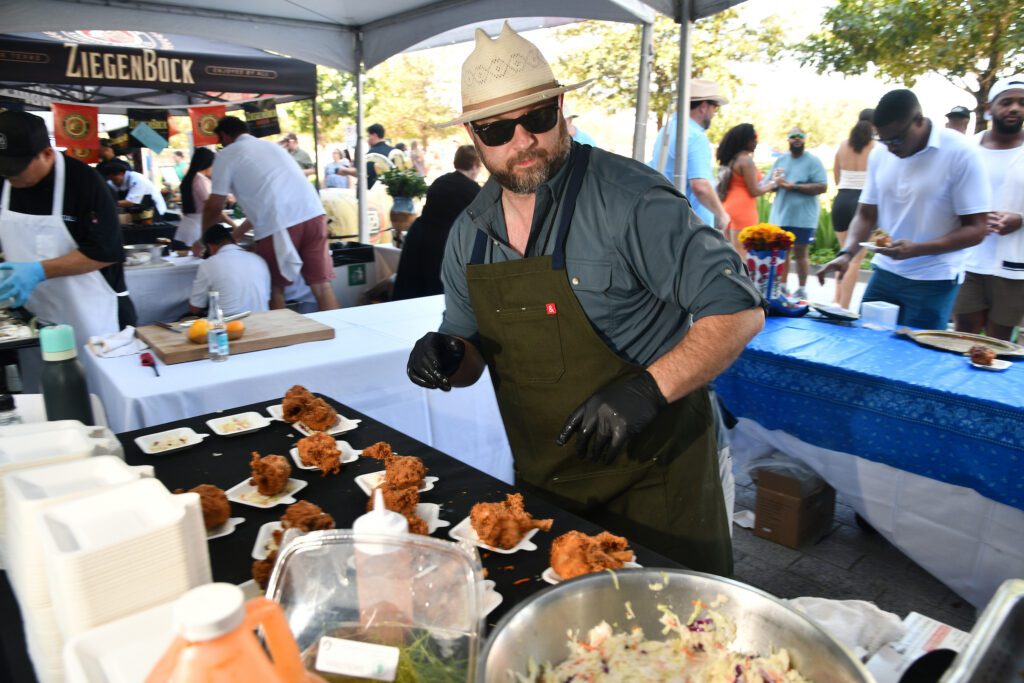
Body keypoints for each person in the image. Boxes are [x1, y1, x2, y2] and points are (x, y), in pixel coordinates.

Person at [406, 23, 765, 575]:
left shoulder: (631, 200)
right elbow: (471, 353)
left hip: (660, 478)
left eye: (538, 118)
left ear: (560, 107)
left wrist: (648, 390)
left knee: (679, 640)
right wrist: (449, 355)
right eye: (498, 129)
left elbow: (738, 310)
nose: (522, 141)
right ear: (475, 137)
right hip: (550, 489)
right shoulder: (469, 232)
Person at [818, 89, 990, 329]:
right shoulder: (880, 154)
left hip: (933, 279)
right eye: (884, 140)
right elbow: (866, 214)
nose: (890, 148)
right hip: (885, 272)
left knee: (917, 360)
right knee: (865, 347)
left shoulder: (961, 153)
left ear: (919, 120)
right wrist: (847, 254)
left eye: (896, 139)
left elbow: (977, 229)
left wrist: (918, 249)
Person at [0, 110, 135, 347]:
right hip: (31, 319)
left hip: (90, 319)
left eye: (17, 167)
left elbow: (106, 252)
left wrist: (38, 271)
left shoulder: (84, 182)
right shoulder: (5, 180)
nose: (9, 175)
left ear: (47, 153)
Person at [203, 116, 338, 311]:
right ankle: (341, 335)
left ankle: (282, 340)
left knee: (275, 289)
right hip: (314, 214)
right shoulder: (272, 148)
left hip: (281, 224)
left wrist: (204, 239)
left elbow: (214, 206)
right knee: (321, 286)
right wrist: (236, 236)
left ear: (224, 136)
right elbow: (267, 203)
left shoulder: (227, 155)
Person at [953, 77, 1024, 341]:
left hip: (1013, 266)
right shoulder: (966, 149)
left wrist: (1020, 219)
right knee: (962, 338)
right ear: (989, 107)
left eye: (1021, 103)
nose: (1015, 108)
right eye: (1007, 102)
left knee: (998, 343)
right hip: (968, 260)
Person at [392, 145, 482, 300]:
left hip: (420, 235)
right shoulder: (474, 190)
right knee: (435, 293)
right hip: (443, 242)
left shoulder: (440, 181)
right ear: (474, 165)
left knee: (413, 286)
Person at [648, 79, 731, 230]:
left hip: (665, 218)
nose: (714, 113)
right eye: (715, 108)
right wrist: (721, 214)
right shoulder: (695, 136)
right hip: (691, 227)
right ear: (704, 107)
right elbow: (700, 186)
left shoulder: (666, 130)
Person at [766, 127, 828, 299]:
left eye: (800, 136)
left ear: (805, 139)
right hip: (781, 216)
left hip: (803, 218)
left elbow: (822, 186)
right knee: (782, 253)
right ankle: (783, 287)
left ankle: (802, 289)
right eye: (793, 137)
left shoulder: (813, 161)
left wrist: (793, 186)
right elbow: (767, 184)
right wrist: (775, 181)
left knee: (801, 254)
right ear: (788, 140)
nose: (797, 139)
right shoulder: (780, 161)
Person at [830, 109, 876, 309]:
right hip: (863, 202)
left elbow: (837, 177)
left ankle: (836, 299)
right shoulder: (876, 147)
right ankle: (844, 307)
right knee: (855, 260)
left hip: (842, 199)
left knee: (843, 254)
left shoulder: (842, 145)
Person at [716, 123, 776, 257]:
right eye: (754, 138)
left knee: (731, 255)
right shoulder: (746, 161)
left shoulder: (732, 159)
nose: (756, 141)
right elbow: (754, 191)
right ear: (745, 140)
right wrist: (773, 184)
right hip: (743, 211)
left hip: (728, 209)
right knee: (743, 256)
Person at [189, 224, 270, 316]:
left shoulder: (208, 264)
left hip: (228, 326)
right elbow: (267, 298)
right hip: (262, 321)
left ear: (210, 246)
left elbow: (195, 308)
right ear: (232, 241)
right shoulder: (259, 260)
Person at [177, 147, 236, 248]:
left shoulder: (191, 177)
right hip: (197, 229)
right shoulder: (200, 179)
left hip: (187, 226)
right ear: (209, 164)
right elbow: (213, 208)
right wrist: (234, 225)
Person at [98, 159, 169, 217]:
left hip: (155, 212)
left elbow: (130, 202)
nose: (113, 183)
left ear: (121, 174)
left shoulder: (137, 180)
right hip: (137, 213)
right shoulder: (113, 181)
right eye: (111, 180)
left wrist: (107, 204)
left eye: (114, 180)